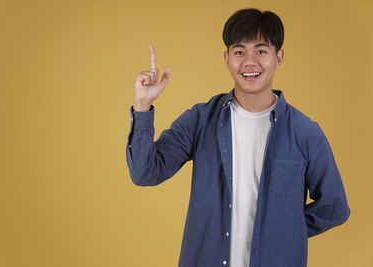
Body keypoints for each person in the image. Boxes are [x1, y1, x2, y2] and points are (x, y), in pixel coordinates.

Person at [125, 8, 350, 267]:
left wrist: (285, 233)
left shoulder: (305, 132)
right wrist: (142, 105)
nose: (249, 62)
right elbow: (144, 173)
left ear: (279, 57)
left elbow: (335, 207)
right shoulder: (200, 120)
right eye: (240, 51)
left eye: (261, 51)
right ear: (227, 58)